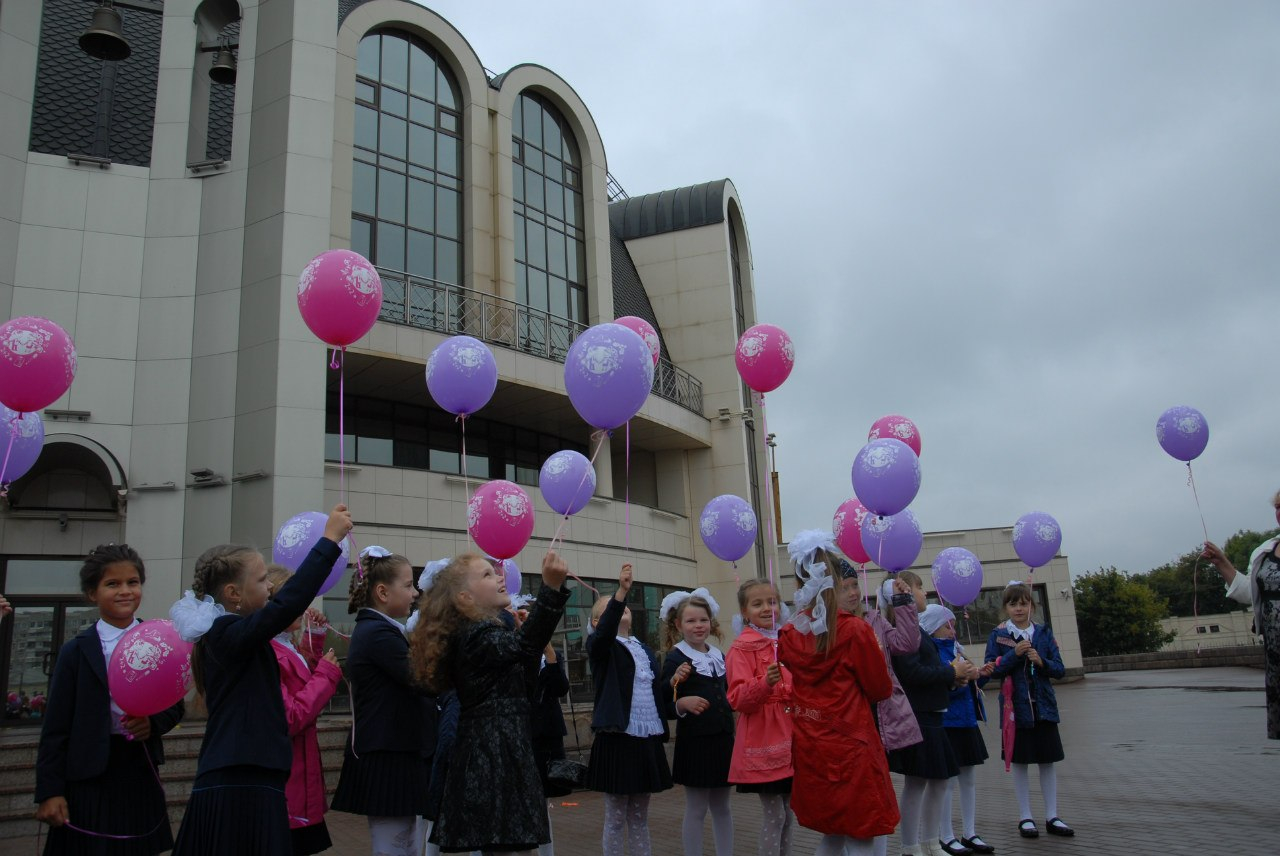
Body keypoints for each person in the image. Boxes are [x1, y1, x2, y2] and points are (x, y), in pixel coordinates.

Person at [168, 504, 352, 856]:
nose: (270, 586)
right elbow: (287, 605)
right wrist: (329, 541)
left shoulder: (235, 635)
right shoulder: (226, 633)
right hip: (238, 778)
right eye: (262, 580)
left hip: (250, 773)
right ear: (233, 594)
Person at [410, 551, 570, 855]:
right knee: (500, 842)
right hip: (492, 753)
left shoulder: (488, 631)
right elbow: (525, 646)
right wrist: (549, 590)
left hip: (504, 749)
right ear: (465, 598)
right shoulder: (476, 634)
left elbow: (523, 685)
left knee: (507, 843)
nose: (499, 577)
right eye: (486, 574)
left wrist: (524, 635)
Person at [35, 544, 185, 855]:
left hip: (138, 768)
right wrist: (50, 791)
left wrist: (152, 723)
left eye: (133, 582)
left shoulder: (160, 640)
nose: (125, 591)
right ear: (92, 593)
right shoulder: (76, 651)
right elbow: (55, 727)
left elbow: (175, 704)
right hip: (89, 776)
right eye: (112, 584)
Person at [777, 530, 897, 856]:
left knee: (832, 833)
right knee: (861, 834)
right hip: (851, 742)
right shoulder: (854, 630)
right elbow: (880, 688)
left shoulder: (789, 633)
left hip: (812, 743)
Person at [331, 547, 436, 856]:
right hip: (387, 752)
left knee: (403, 841)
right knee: (393, 845)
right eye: (408, 585)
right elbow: (424, 678)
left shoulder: (380, 630)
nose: (415, 593)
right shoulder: (378, 634)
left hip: (392, 749)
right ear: (382, 592)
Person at [583, 563, 672, 856]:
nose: (621, 609)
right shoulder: (601, 647)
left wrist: (673, 683)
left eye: (624, 607)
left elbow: (653, 692)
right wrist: (621, 592)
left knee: (639, 817)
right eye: (610, 608)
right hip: (618, 737)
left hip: (645, 738)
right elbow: (604, 634)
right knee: (616, 817)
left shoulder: (643, 649)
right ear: (597, 621)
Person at [839, 568, 923, 856]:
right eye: (844, 587)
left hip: (881, 715)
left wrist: (903, 602)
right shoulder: (827, 628)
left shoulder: (874, 618)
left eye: (855, 585)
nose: (853, 592)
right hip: (849, 719)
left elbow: (907, 643)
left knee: (879, 791)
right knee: (856, 794)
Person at [888, 571, 972, 856]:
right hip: (920, 715)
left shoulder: (918, 630)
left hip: (933, 713)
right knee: (918, 782)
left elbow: (928, 671)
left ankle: (931, 842)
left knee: (938, 781)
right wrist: (950, 672)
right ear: (904, 592)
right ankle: (911, 846)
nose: (925, 593)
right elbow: (912, 673)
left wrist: (954, 678)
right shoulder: (904, 630)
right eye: (920, 587)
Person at [980, 582, 1072, 840]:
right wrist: (1014, 655)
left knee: (1047, 761)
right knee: (1020, 761)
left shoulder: (1043, 633)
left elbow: (1059, 669)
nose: (1019, 609)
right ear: (1005, 608)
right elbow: (991, 669)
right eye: (1013, 604)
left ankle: (1052, 815)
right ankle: (1025, 816)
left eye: (1024, 603)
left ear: (1032, 605)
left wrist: (1041, 661)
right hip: (1016, 709)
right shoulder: (999, 635)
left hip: (1043, 707)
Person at [264, 564, 343, 856]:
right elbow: (291, 717)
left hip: (299, 771)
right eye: (293, 598)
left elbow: (301, 681)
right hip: (288, 774)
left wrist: (315, 639)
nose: (302, 605)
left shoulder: (285, 644)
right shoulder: (269, 651)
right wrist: (326, 675)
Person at [659, 588, 734, 856]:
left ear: (710, 622)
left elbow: (728, 693)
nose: (698, 625)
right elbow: (663, 700)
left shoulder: (718, 655)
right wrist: (681, 702)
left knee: (723, 807)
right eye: (691, 621)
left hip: (723, 739)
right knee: (697, 807)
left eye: (703, 619)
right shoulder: (675, 657)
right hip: (696, 741)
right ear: (679, 625)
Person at [1203, 488, 1280, 739]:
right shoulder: (1266, 551)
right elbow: (1250, 593)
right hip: (1275, 651)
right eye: (1278, 508)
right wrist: (1221, 562)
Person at [726, 577, 794, 856]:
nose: (767, 608)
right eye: (758, 604)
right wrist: (765, 683)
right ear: (744, 612)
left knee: (789, 813)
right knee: (775, 815)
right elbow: (738, 698)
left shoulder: (788, 640)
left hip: (792, 735)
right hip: (764, 739)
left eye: (772, 602)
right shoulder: (741, 649)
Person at [921, 605, 992, 856]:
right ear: (933, 628)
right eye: (946, 625)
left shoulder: (957, 649)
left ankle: (969, 831)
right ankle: (946, 834)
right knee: (947, 783)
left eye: (953, 625)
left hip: (967, 721)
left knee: (969, 780)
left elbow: (970, 686)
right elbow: (941, 687)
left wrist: (981, 675)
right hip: (948, 723)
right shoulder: (932, 652)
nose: (952, 630)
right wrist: (963, 678)